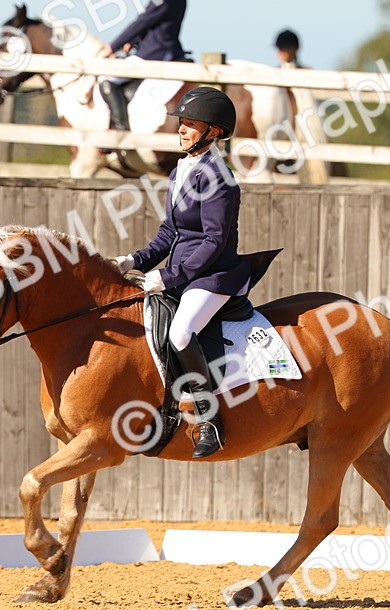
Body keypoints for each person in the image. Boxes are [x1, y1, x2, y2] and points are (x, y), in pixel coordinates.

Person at [114, 87, 246, 458]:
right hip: (183, 271)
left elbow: (214, 241)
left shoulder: (219, 178)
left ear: (213, 132)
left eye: (190, 124)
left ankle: (210, 420)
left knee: (180, 332)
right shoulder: (181, 169)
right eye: (182, 122)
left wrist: (168, 277)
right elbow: (169, 233)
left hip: (213, 276)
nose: (182, 129)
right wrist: (133, 261)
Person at [100, 0, 188, 133]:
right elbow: (155, 23)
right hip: (160, 49)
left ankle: (120, 128)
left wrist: (113, 46)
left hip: (154, 53)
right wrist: (133, 41)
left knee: (106, 78)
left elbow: (143, 21)